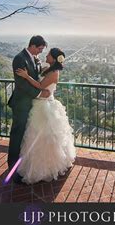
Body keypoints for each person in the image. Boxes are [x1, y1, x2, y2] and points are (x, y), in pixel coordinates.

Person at [14, 47, 76, 184]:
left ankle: (46, 168)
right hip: (39, 104)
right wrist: (36, 61)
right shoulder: (49, 68)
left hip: (45, 106)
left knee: (44, 137)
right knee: (35, 136)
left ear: (53, 58)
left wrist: (26, 76)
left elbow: (40, 85)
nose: (46, 56)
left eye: (48, 54)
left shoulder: (54, 72)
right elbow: (40, 72)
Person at [7, 35, 50, 183]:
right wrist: (39, 93)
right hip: (21, 104)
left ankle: (22, 167)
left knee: (25, 137)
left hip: (30, 103)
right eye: (39, 49)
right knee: (17, 136)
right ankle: (12, 170)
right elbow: (21, 84)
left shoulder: (33, 57)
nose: (40, 52)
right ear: (32, 45)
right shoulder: (20, 58)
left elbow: (34, 76)